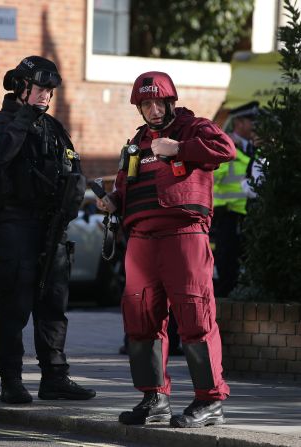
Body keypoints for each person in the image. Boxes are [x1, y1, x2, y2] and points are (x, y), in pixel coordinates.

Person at [97, 71, 234, 428]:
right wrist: (113, 200)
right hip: (141, 240)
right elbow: (127, 186)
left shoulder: (194, 128)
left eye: (159, 102)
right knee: (140, 320)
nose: (154, 110)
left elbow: (226, 149)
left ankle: (210, 401)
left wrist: (180, 149)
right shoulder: (137, 143)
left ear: (171, 101)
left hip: (184, 234)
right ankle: (154, 398)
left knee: (195, 316)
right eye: (146, 104)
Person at [0, 56, 95, 404]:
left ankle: (55, 376)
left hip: (51, 226)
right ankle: (11, 379)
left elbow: (73, 167)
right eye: (41, 88)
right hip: (14, 225)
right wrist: (25, 117)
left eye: (50, 90)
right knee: (14, 304)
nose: (47, 95)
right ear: (22, 87)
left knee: (53, 304)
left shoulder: (53, 128)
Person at [212, 101, 259, 297]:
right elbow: (211, 177)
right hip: (226, 215)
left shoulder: (253, 148)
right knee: (226, 265)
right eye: (251, 121)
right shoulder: (226, 147)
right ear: (239, 122)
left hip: (246, 215)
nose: (255, 126)